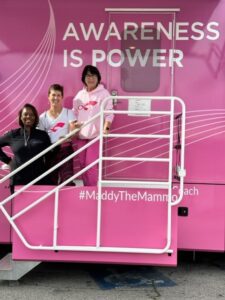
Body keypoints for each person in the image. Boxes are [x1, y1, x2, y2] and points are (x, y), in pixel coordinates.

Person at [73, 65, 114, 186]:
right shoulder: (79, 95)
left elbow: (109, 113)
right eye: (88, 76)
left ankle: (92, 191)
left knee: (90, 164)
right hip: (81, 135)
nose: (90, 78)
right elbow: (74, 113)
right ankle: (87, 189)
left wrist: (106, 128)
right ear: (84, 78)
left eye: (93, 76)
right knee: (81, 164)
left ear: (98, 78)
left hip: (95, 136)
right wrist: (74, 127)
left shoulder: (104, 94)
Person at [0, 103, 51, 193]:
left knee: (40, 206)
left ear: (35, 117)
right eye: (25, 114)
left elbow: (50, 155)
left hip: (39, 179)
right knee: (18, 207)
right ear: (20, 117)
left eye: (32, 115)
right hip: (18, 179)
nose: (28, 117)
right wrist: (8, 161)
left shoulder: (42, 135)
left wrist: (59, 144)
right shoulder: (13, 134)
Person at [39, 84, 79, 185]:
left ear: (62, 97)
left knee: (68, 181)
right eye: (53, 95)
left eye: (58, 95)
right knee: (50, 182)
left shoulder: (68, 113)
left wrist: (68, 136)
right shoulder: (42, 117)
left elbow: (73, 132)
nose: (56, 98)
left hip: (65, 150)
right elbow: (40, 138)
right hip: (50, 152)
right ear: (48, 96)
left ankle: (66, 200)